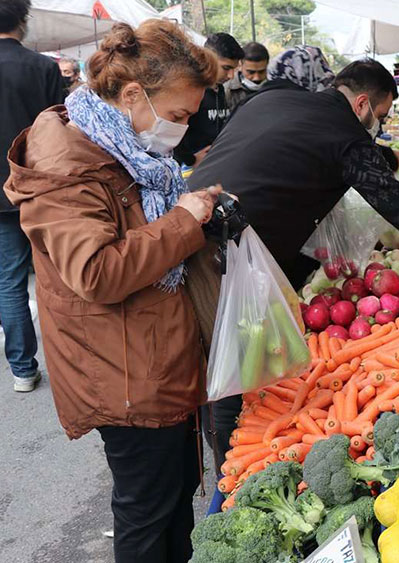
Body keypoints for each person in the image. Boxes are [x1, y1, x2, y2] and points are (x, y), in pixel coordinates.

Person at [4, 20, 220, 562]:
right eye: (177, 116)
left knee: (170, 500)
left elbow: (137, 224)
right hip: (122, 370)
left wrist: (193, 213)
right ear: (131, 95)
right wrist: (182, 222)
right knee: (147, 511)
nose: (182, 130)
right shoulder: (67, 164)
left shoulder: (120, 145)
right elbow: (96, 272)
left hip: (151, 354)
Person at [189, 58, 399, 468]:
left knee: (212, 355)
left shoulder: (277, 97)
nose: (378, 127)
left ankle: (228, 445)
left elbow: (281, 152)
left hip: (190, 220)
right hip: (228, 250)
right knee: (235, 360)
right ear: (363, 104)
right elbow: (394, 202)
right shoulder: (345, 134)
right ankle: (236, 463)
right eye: (381, 116)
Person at [0, 0, 63, 393]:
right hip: (38, 187)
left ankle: (23, 369)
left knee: (9, 280)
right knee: (57, 276)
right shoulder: (43, 67)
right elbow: (57, 132)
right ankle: (72, 362)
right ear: (24, 21)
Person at [173, 32, 243, 168]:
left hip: (213, 165)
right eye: (226, 68)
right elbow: (172, 132)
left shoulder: (220, 90)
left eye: (234, 69)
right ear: (207, 58)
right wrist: (190, 160)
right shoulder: (189, 89)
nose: (231, 75)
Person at [225, 41, 268, 109]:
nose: (256, 78)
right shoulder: (227, 89)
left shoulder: (276, 88)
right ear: (240, 66)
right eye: (251, 72)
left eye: (261, 72)